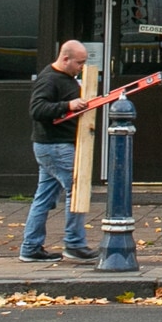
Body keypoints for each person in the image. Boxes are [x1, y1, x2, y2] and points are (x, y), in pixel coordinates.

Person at [21, 40, 95, 263]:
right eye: (79, 63)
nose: (81, 67)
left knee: (43, 198)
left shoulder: (64, 78)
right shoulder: (50, 79)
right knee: (77, 189)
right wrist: (68, 105)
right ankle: (74, 244)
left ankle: (30, 247)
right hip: (55, 145)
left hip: (50, 146)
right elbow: (37, 109)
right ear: (65, 59)